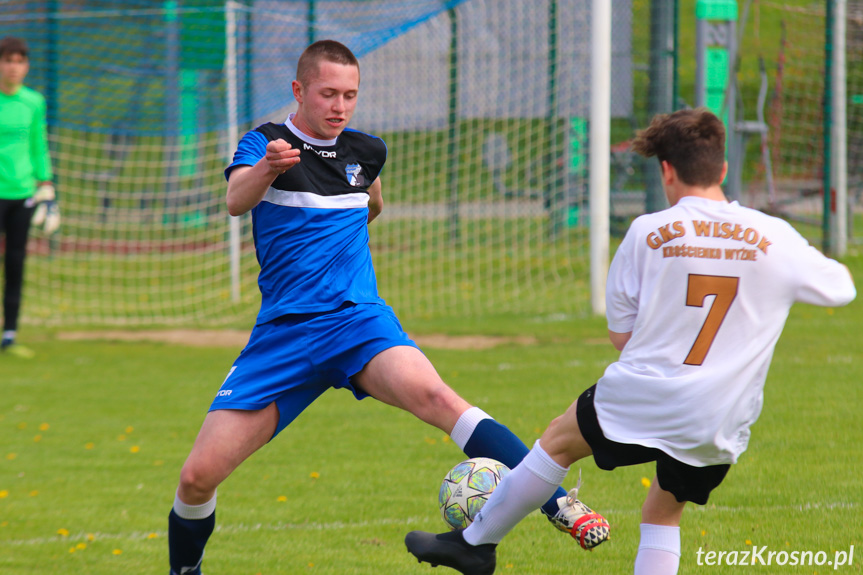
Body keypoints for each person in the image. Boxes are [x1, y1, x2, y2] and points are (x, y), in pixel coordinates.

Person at [167, 39, 607, 575]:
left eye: (350, 95)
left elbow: (372, 203)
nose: (339, 106)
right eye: (328, 94)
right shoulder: (266, 142)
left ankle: (561, 505)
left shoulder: (365, 150)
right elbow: (236, 201)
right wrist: (267, 170)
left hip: (358, 321)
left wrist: (346, 243)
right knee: (197, 477)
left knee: (438, 397)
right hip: (284, 335)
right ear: (299, 90)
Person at [405, 108, 857, 575]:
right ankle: (476, 546)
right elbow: (842, 288)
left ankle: (475, 544)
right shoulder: (772, 236)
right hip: (720, 415)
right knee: (663, 511)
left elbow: (621, 335)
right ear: (723, 168)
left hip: (644, 393)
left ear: (666, 170)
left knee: (557, 444)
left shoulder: (646, 232)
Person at [0, 36, 57, 358]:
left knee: (16, 263)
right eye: (8, 60)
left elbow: (39, 144)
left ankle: (10, 334)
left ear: (26, 66)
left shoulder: (33, 102)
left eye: (19, 61)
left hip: (22, 193)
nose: (13, 67)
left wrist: (45, 185)